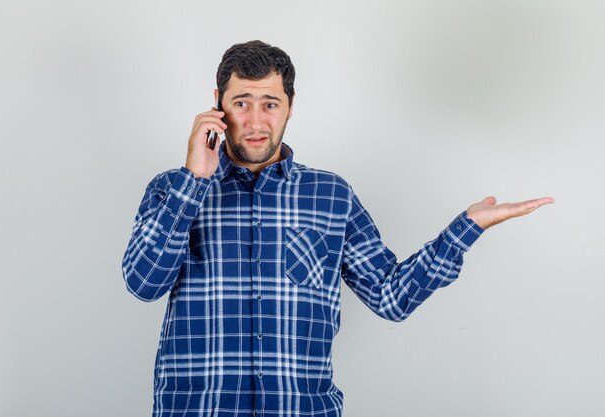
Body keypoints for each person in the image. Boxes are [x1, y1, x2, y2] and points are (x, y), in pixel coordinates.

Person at [121, 40, 553, 417]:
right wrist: (193, 181)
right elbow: (143, 283)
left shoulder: (331, 196)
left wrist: (467, 228)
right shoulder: (170, 189)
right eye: (241, 102)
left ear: (290, 105)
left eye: (269, 103)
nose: (255, 122)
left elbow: (391, 297)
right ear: (217, 104)